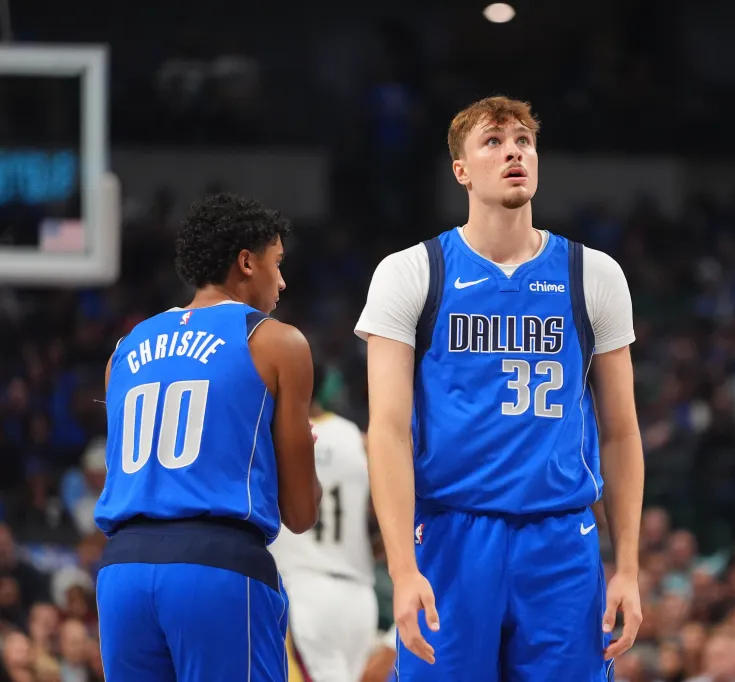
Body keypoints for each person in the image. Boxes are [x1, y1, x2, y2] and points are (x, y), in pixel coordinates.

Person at [355, 95, 645, 681]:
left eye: (523, 142)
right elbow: (386, 432)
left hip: (561, 538)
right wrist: (403, 570)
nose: (514, 152)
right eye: (493, 141)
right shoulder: (411, 271)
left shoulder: (594, 274)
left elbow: (621, 431)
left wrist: (629, 567)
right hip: (451, 532)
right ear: (460, 170)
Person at [94, 193, 322, 681]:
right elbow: (301, 513)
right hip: (216, 567)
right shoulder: (276, 342)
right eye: (277, 262)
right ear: (247, 262)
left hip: (121, 572)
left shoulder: (124, 349)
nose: (282, 280)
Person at [272, 364, 378, 682]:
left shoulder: (275, 434)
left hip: (304, 590)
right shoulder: (358, 438)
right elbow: (383, 514)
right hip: (359, 595)